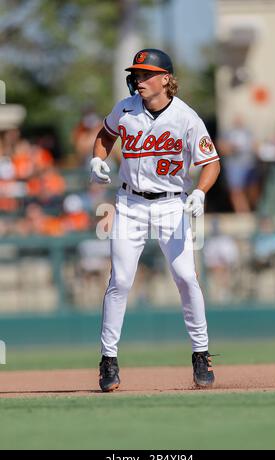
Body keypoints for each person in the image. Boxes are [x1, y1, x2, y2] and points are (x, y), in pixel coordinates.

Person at [90, 49, 220, 392]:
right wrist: (97, 159)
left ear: (166, 79)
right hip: (129, 201)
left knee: (186, 277)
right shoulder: (126, 108)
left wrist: (201, 192)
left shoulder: (186, 117)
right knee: (120, 280)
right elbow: (105, 135)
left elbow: (211, 163)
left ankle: (201, 353)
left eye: (146, 74)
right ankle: (108, 359)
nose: (139, 79)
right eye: (136, 73)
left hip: (170, 205)